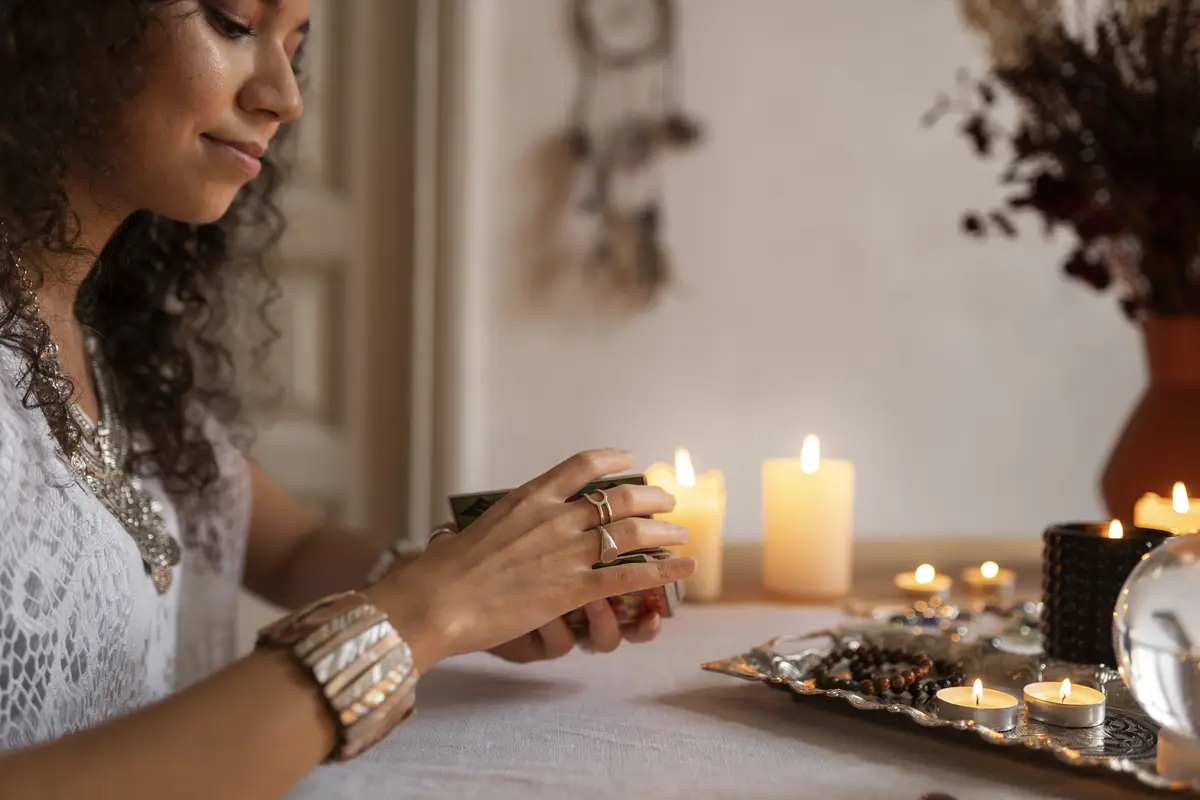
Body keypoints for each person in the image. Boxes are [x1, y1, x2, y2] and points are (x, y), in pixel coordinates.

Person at [0, 1, 695, 796]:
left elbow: (294, 547)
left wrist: (481, 583)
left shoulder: (102, 338)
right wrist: (422, 615)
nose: (286, 95)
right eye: (233, 22)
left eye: (296, 46)